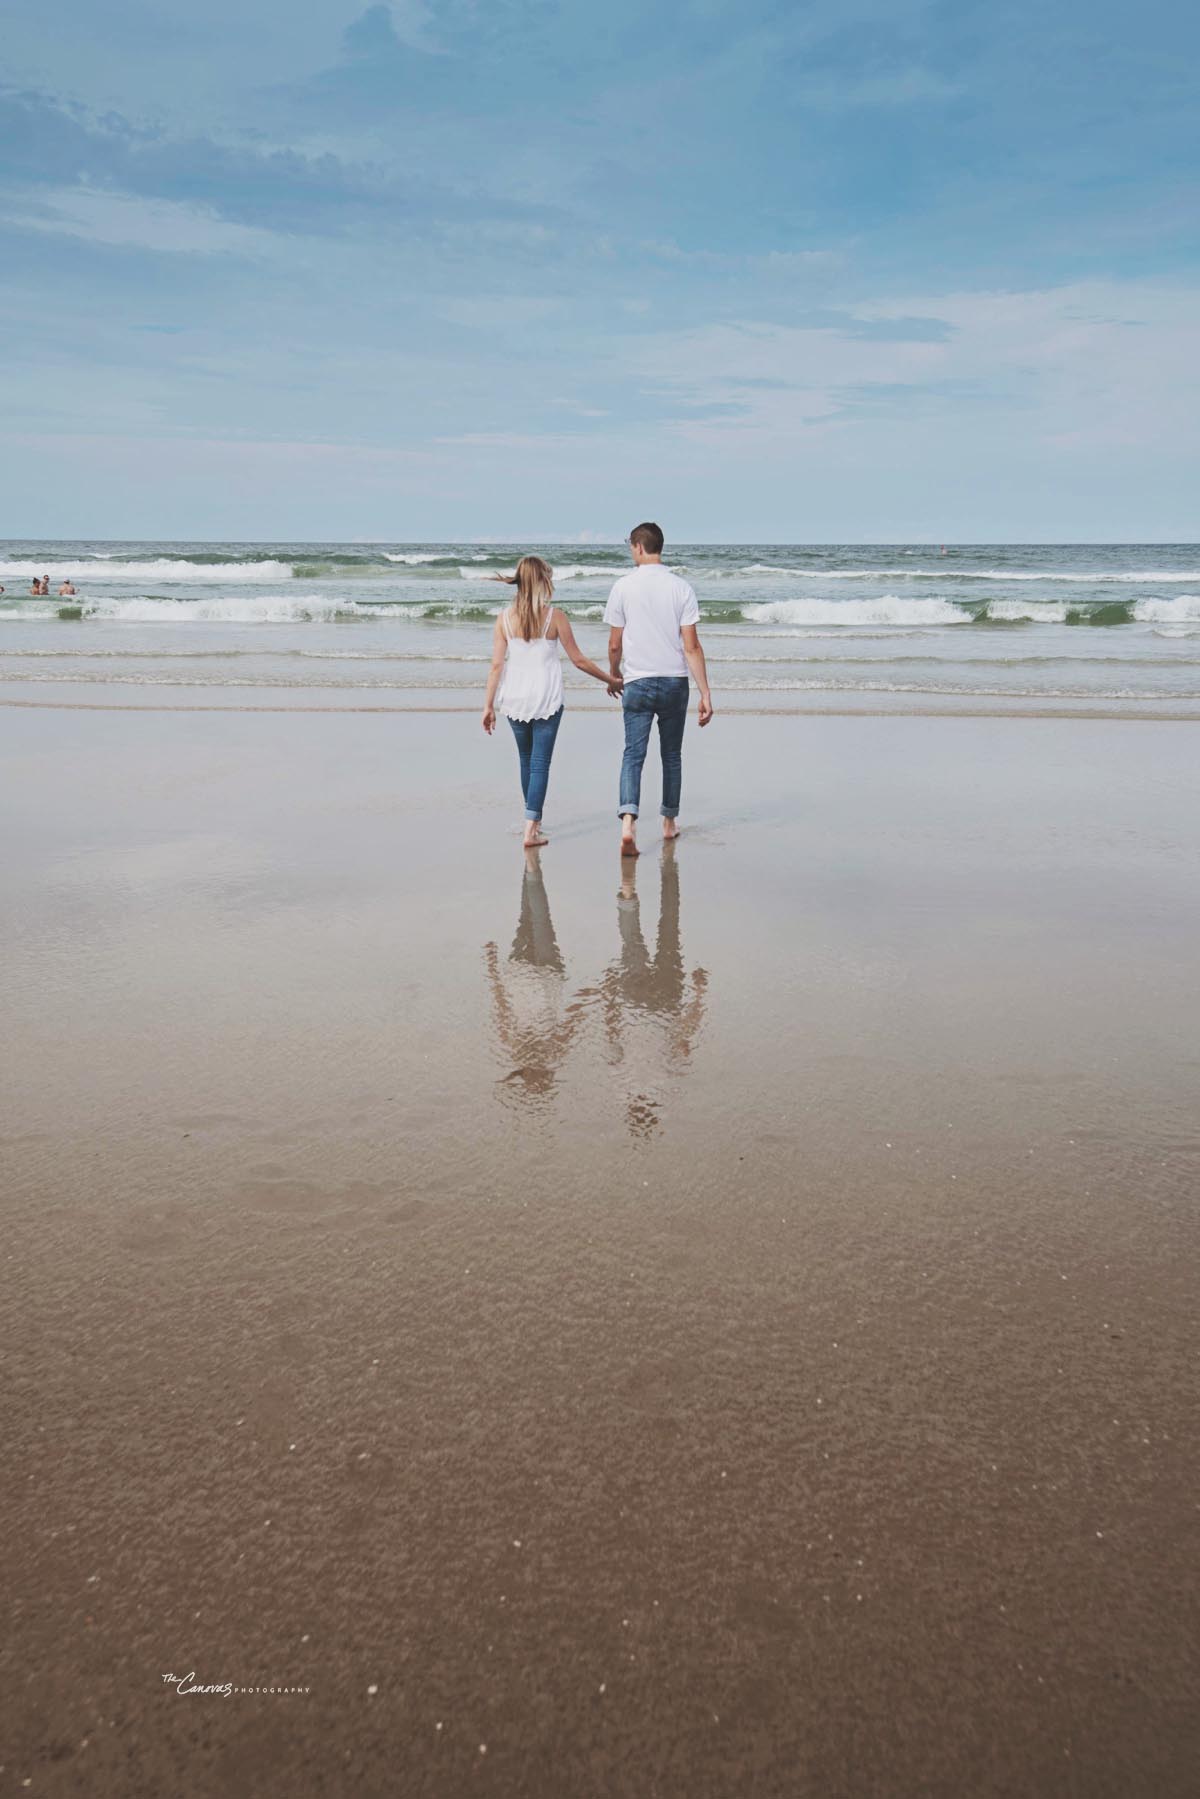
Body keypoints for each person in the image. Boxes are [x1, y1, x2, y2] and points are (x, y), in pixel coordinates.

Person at [482, 555, 622, 848]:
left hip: (515, 698)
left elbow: (496, 666)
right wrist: (610, 680)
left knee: (526, 760)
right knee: (540, 763)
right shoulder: (554, 617)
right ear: (543, 581)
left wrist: (488, 705)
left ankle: (532, 822)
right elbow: (579, 660)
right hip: (546, 697)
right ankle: (531, 830)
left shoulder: (504, 619)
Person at [604, 522, 713, 857]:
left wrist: (613, 674)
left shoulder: (622, 587)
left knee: (632, 754)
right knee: (671, 755)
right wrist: (705, 693)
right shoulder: (681, 588)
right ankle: (668, 823)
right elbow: (691, 647)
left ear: (638, 546)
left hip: (636, 681)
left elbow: (614, 643)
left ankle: (627, 824)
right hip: (674, 682)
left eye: (630, 545)